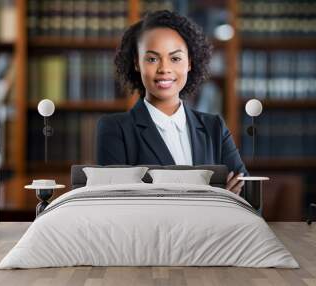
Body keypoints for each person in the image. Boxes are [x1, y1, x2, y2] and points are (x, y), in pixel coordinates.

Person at [96, 10, 247, 195]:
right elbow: (118, 204)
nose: (164, 69)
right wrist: (214, 197)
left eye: (175, 58)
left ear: (190, 62)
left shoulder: (214, 127)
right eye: (152, 59)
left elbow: (249, 201)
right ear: (137, 63)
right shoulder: (115, 129)